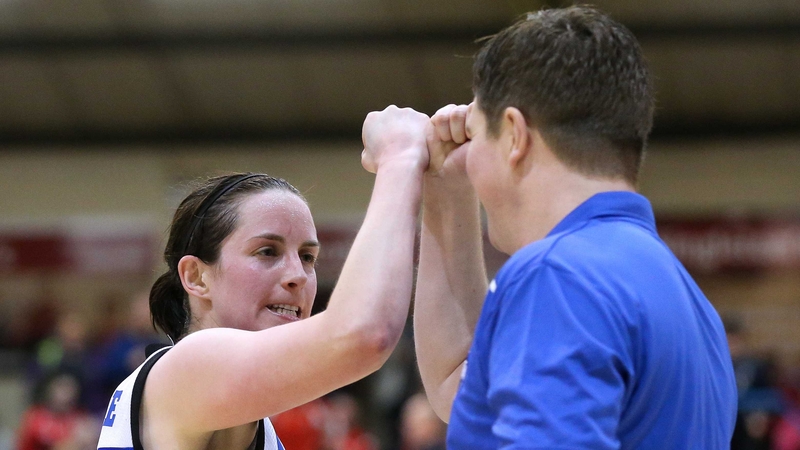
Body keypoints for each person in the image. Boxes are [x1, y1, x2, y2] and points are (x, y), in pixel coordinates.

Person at [400, 6, 738, 449]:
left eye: (477, 134)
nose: (470, 154)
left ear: (515, 136)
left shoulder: (556, 276)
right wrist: (445, 185)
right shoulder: (690, 303)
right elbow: (461, 384)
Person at [97, 106, 431, 450]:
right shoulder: (188, 367)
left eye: (308, 257)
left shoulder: (252, 419)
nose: (297, 275)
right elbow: (364, 335)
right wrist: (400, 157)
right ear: (196, 277)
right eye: (267, 252)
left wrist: (447, 183)